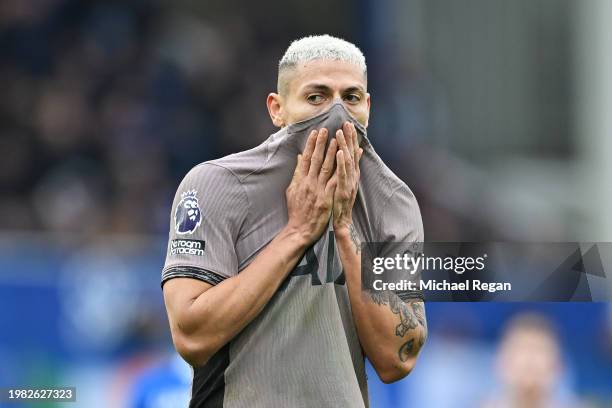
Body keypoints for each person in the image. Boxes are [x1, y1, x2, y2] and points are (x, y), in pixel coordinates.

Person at [161, 35, 427, 407]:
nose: (337, 114)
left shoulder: (393, 202)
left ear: (368, 106)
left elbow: (398, 357)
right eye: (316, 97)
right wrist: (298, 233)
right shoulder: (216, 185)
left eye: (350, 98)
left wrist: (345, 232)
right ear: (277, 108)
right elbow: (192, 337)